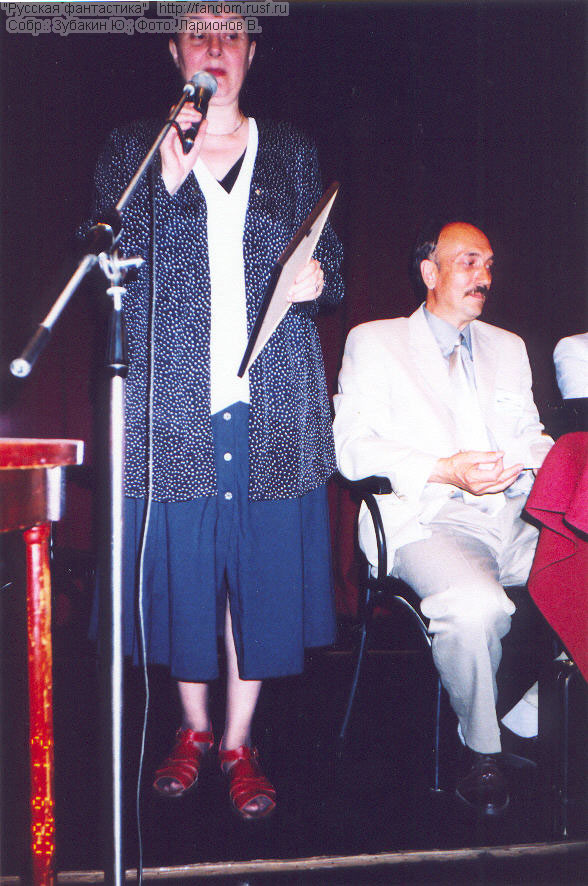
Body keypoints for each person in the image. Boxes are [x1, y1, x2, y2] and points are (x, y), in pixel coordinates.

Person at [87, 11, 343, 820]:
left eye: (232, 32)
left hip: (270, 404)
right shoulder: (132, 150)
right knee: (188, 575)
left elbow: (332, 261)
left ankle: (238, 740)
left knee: (256, 578)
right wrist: (165, 175)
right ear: (175, 51)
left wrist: (318, 279)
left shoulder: (292, 149)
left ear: (252, 52)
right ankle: (191, 728)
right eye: (199, 31)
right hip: (174, 408)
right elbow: (107, 262)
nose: (215, 48)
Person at [333, 220, 552, 815]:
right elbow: (352, 449)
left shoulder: (507, 346)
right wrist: (446, 469)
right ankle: (482, 750)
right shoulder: (375, 342)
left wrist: (550, 464)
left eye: (489, 265)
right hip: (427, 517)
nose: (484, 277)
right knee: (476, 606)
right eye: (469, 262)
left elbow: (528, 434)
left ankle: (522, 711)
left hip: (514, 514)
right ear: (430, 272)